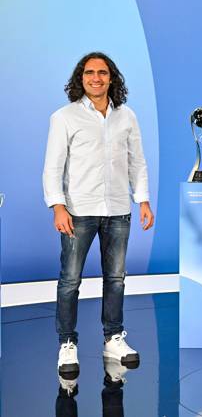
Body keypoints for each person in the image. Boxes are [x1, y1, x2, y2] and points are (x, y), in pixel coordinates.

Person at [43, 52, 154, 378]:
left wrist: (143, 200)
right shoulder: (64, 117)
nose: (96, 78)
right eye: (89, 72)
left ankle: (113, 338)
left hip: (119, 210)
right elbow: (53, 166)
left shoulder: (126, 116)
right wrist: (58, 206)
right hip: (78, 211)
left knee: (116, 278)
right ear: (81, 78)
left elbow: (138, 162)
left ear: (111, 78)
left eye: (102, 72)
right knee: (70, 281)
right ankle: (67, 343)